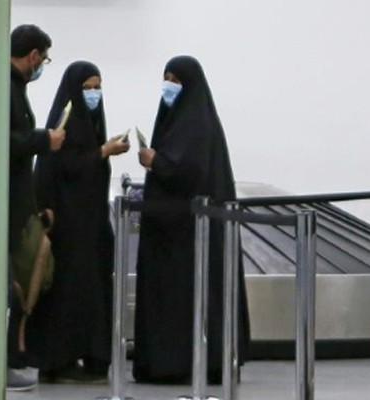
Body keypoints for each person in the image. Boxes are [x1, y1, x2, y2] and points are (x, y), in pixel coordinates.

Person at [132, 55, 250, 384]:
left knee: (190, 295)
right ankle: (170, 362)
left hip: (190, 233)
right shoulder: (181, 120)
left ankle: (185, 362)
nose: (169, 86)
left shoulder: (197, 124)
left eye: (176, 80)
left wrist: (156, 162)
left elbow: (189, 171)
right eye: (166, 78)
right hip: (175, 230)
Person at [28, 61, 129, 383]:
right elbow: (65, 167)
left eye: (97, 88)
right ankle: (60, 361)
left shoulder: (90, 124)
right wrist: (102, 152)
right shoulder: (64, 123)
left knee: (89, 291)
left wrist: (102, 151)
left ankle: (90, 356)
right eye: (87, 88)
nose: (93, 94)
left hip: (89, 225)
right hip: (68, 228)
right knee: (68, 292)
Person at [7, 23, 64, 392]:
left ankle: (10, 360)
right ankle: (4, 363)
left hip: (17, 204)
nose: (42, 65)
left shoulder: (13, 87)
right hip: (8, 208)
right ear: (32, 56)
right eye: (43, 58)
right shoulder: (6, 89)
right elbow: (5, 141)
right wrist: (45, 139)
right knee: (10, 286)